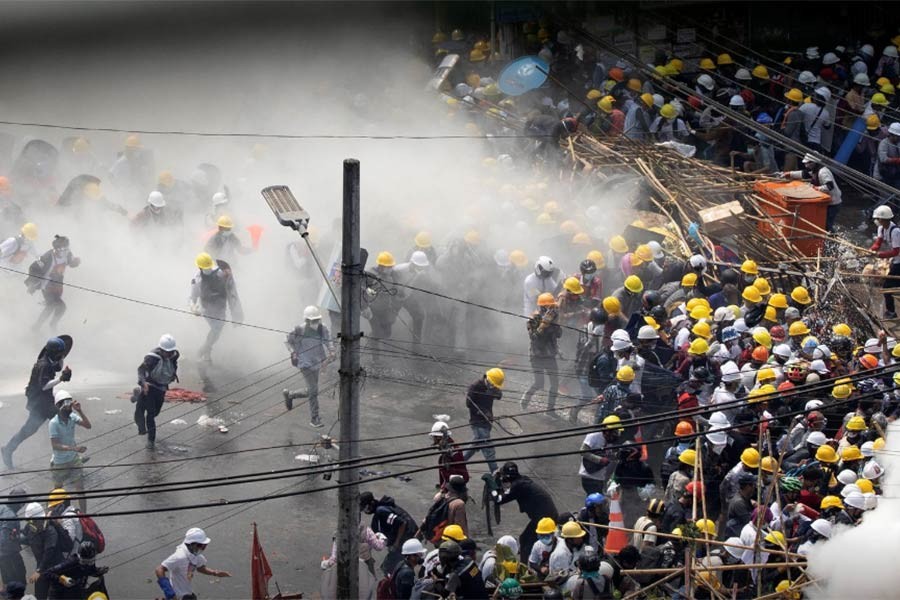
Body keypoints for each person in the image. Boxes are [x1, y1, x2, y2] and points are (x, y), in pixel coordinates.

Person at [3, 337, 72, 470]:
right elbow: (44, 386)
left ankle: (8, 449)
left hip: (43, 402)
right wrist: (61, 378)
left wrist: (64, 372)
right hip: (40, 403)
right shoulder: (44, 365)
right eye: (59, 353)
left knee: (29, 429)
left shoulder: (49, 360)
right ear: (53, 353)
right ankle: (68, 458)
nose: (61, 356)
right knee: (63, 423)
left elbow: (57, 367)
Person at [493, 462, 559, 563]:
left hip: (544, 518)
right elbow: (508, 491)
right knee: (529, 539)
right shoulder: (523, 480)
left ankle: (525, 566)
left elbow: (498, 499)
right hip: (546, 515)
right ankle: (534, 561)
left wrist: (491, 486)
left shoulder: (518, 486)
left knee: (526, 540)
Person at [283, 305, 335, 428]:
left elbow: (328, 340)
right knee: (314, 390)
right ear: (307, 320)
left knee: (312, 389)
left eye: (317, 320)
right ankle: (314, 418)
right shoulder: (299, 330)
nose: (315, 323)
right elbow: (287, 341)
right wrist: (293, 352)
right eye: (313, 321)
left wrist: (332, 351)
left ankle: (290, 395)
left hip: (317, 362)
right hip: (304, 362)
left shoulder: (322, 329)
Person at [189, 252, 243, 361]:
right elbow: (192, 296)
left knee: (217, 329)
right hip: (206, 309)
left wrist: (236, 313)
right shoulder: (198, 278)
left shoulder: (221, 273)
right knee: (216, 330)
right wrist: (193, 307)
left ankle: (205, 350)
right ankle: (205, 350)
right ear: (199, 267)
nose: (207, 270)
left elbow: (231, 291)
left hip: (220, 308)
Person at [156, 528, 230, 600]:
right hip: (178, 596)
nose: (203, 548)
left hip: (188, 593)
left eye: (205, 545)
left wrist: (215, 573)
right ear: (192, 544)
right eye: (201, 545)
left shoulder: (196, 555)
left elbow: (201, 568)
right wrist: (170, 593)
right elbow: (159, 570)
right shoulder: (179, 556)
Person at [48, 390, 91, 513]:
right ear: (58, 406)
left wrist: (80, 411)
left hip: (73, 460)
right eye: (66, 405)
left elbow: (88, 426)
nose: (69, 408)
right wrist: (74, 448)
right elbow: (55, 445)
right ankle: (52, 516)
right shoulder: (53, 423)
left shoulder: (72, 417)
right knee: (57, 492)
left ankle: (84, 516)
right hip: (59, 462)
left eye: (69, 404)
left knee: (80, 489)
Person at [26, 235, 81, 331]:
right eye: (64, 249)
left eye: (67, 248)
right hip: (46, 286)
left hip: (58, 285)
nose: (66, 251)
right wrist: (32, 284)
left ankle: (43, 326)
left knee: (54, 308)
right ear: (58, 249)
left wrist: (75, 262)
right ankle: (42, 326)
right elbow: (33, 268)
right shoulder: (47, 257)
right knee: (57, 306)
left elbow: (71, 262)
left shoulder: (67, 254)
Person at [134, 334, 180, 450]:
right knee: (148, 414)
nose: (169, 354)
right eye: (166, 352)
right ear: (161, 349)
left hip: (161, 388)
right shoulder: (152, 358)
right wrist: (143, 383)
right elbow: (141, 370)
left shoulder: (173, 357)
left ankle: (136, 396)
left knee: (155, 412)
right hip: (149, 387)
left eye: (171, 352)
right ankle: (150, 440)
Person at [521, 293, 562, 414]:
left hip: (550, 355)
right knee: (539, 383)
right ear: (542, 307)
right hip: (537, 355)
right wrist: (543, 325)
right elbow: (534, 337)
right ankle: (526, 398)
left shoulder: (554, 317)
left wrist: (554, 323)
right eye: (548, 307)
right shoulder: (533, 320)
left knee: (555, 383)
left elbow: (559, 334)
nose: (550, 310)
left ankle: (550, 409)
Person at [359, 492, 417, 575]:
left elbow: (402, 523)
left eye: (365, 507)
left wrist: (396, 544)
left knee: (388, 567)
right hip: (406, 537)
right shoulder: (380, 511)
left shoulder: (381, 511)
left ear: (371, 503)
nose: (365, 511)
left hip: (407, 538)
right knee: (396, 564)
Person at [462, 368, 503, 474]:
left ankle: (458, 463)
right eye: (493, 384)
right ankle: (495, 471)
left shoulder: (492, 387)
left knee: (476, 444)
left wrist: (494, 391)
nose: (494, 386)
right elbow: (469, 404)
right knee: (488, 446)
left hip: (488, 421)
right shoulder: (475, 386)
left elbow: (499, 396)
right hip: (477, 421)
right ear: (487, 379)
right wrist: (483, 412)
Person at [23, 502, 67, 600]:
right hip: (42, 566)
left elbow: (49, 551)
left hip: (55, 567)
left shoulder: (50, 530)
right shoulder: (30, 527)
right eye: (28, 520)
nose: (30, 523)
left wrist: (39, 571)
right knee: (39, 595)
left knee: (57, 595)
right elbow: (24, 536)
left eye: (31, 520)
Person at [41, 541, 108, 600]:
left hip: (75, 593)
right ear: (79, 557)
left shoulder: (89, 563)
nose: (87, 564)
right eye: (84, 562)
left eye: (90, 562)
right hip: (58, 594)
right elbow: (46, 573)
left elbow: (90, 571)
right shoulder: (70, 563)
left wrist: (99, 571)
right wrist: (63, 579)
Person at [871, 205, 900, 318]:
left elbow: (896, 251)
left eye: (878, 219)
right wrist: (871, 250)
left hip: (899, 261)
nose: (877, 221)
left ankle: (891, 312)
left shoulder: (895, 232)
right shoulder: (881, 229)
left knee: (887, 287)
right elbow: (878, 243)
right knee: (894, 284)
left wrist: (880, 255)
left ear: (883, 219)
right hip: (896, 260)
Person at [0, 487, 27, 585]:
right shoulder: (11, 517)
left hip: (2, 556)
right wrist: (23, 538)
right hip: (8, 555)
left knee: (7, 579)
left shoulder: (2, 507)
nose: (23, 506)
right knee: (19, 580)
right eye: (23, 503)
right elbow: (4, 540)